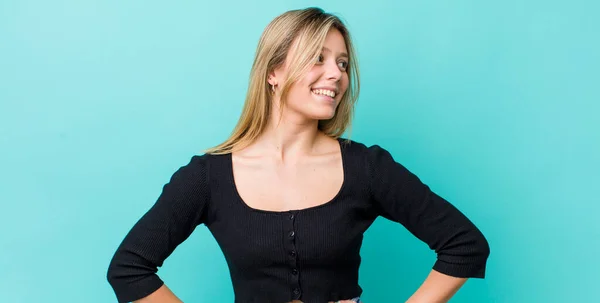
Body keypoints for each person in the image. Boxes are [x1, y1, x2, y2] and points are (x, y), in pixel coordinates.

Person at [106, 7, 490, 303]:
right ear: (274, 71)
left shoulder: (367, 168)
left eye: (342, 63)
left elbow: (465, 245)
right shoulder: (208, 176)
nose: (337, 74)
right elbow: (128, 269)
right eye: (317, 58)